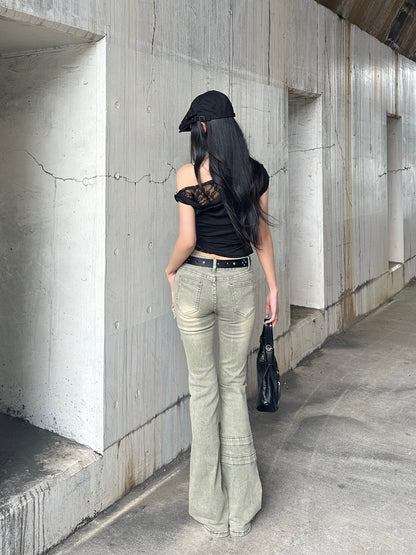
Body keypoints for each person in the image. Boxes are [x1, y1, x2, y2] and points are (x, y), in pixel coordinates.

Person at [165, 90, 279, 538]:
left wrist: (170, 271)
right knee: (233, 387)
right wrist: (273, 287)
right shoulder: (255, 174)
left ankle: (211, 512)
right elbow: (262, 238)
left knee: (203, 390)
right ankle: (241, 511)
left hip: (195, 280)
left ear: (203, 129)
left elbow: (187, 240)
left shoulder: (187, 174)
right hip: (239, 282)